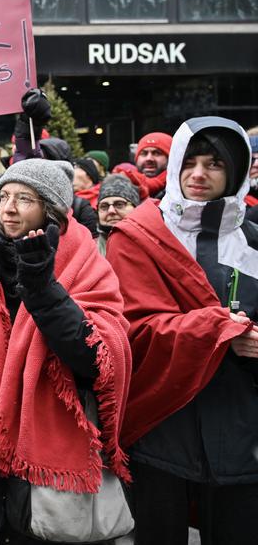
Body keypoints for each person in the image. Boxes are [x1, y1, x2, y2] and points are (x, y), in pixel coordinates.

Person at [0, 158, 132, 544]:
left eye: (26, 199)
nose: (10, 208)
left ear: (50, 210)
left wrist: (43, 288)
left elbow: (95, 359)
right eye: (5, 197)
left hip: (44, 445)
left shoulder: (85, 261)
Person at [106, 117, 258, 545]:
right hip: (160, 430)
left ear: (236, 171)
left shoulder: (254, 240)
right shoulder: (138, 236)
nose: (198, 174)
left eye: (214, 164)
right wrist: (215, 329)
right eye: (189, 162)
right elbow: (130, 331)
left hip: (241, 434)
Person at [95, 174, 141, 256]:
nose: (111, 211)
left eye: (119, 204)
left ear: (135, 207)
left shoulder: (150, 246)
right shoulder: (90, 251)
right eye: (104, 206)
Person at [131, 132, 172, 199]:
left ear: (170, 158)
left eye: (156, 153)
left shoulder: (181, 189)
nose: (149, 158)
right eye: (144, 153)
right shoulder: (124, 186)